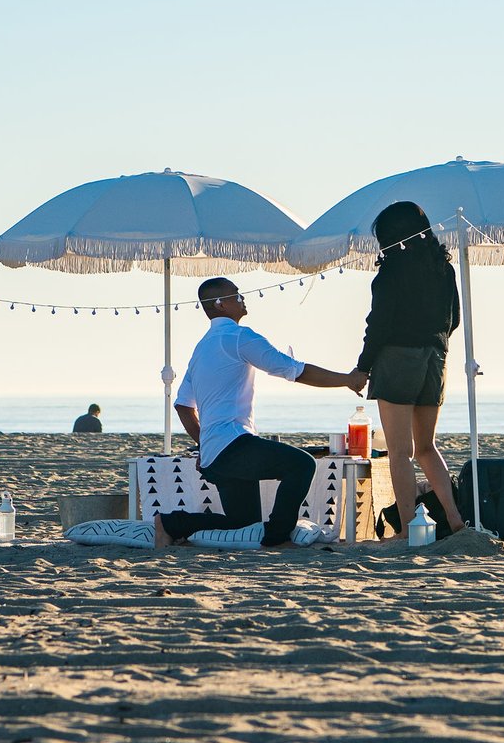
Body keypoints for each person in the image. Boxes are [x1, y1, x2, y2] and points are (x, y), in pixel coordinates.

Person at [164, 276, 365, 548]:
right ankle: (277, 537)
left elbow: (183, 405)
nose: (242, 299)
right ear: (221, 304)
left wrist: (204, 445)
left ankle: (170, 524)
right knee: (301, 464)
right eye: (236, 295)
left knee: (242, 525)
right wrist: (346, 379)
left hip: (216, 453)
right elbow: (292, 369)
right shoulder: (238, 337)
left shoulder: (201, 348)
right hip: (233, 443)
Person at [351, 201, 463, 538]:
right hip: (436, 356)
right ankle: (455, 520)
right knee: (426, 447)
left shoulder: (390, 272)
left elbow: (379, 326)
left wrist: (362, 367)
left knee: (400, 452)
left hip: (398, 359)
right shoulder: (444, 269)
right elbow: (454, 319)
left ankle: (408, 529)